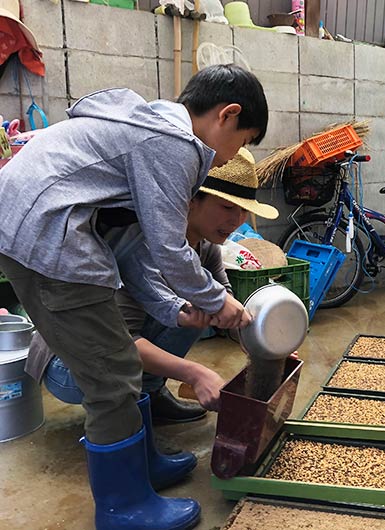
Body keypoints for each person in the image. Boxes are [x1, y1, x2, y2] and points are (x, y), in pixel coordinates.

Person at [0, 64, 268, 530]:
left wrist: (175, 307)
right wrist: (212, 300)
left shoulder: (148, 131)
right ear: (227, 115)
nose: (232, 156)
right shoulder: (174, 143)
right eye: (242, 141)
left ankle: (140, 466)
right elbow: (168, 248)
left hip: (37, 230)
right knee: (111, 381)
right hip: (46, 240)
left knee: (123, 364)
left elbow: (131, 249)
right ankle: (124, 508)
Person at [25, 148, 279, 421]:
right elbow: (121, 343)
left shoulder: (207, 250)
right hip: (68, 364)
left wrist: (264, 343)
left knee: (208, 309)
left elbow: (228, 311)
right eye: (228, 207)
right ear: (190, 200)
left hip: (115, 348)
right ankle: (126, 413)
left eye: (244, 210)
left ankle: (150, 396)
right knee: (192, 313)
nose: (237, 220)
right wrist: (194, 373)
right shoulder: (138, 248)